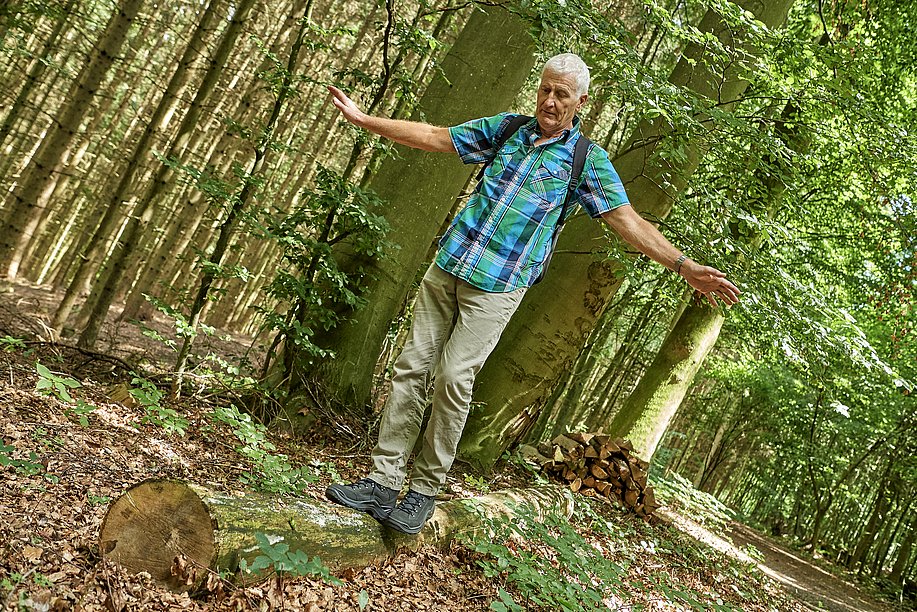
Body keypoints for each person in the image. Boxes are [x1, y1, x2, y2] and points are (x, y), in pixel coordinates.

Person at [324, 53, 740, 534]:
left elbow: (628, 221)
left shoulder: (586, 160)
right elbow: (438, 136)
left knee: (453, 379)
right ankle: (381, 480)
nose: (549, 100)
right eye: (545, 89)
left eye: (562, 94)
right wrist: (363, 119)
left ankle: (422, 491)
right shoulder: (507, 130)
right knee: (411, 369)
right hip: (448, 267)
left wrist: (682, 265)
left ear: (582, 102)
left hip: (499, 286)